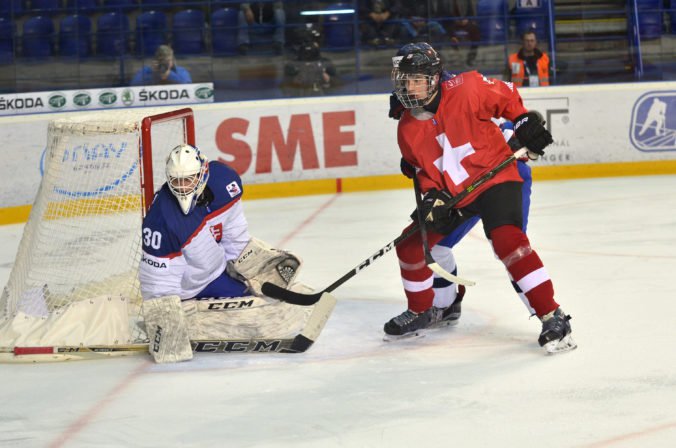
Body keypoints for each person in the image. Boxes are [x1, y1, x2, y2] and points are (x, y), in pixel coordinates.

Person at [386, 42, 576, 354]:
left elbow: (509, 98)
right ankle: (431, 308)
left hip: (496, 176)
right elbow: (428, 172)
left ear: (434, 78)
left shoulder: (468, 87)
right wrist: (432, 197)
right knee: (412, 246)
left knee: (507, 242)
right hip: (457, 193)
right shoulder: (407, 128)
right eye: (403, 79)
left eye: (415, 79)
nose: (407, 86)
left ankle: (552, 315)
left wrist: (523, 119)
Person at [139, 144, 307, 362]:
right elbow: (157, 279)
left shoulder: (224, 182)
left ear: (202, 173)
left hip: (215, 274)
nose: (182, 187)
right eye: (176, 180)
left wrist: (247, 266)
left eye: (188, 179)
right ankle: (190, 311)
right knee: (241, 321)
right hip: (184, 289)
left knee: (250, 302)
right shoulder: (162, 218)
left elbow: (234, 230)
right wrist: (165, 320)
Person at [281, 30, 337, 97]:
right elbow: (285, 89)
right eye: (307, 42)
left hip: (322, 99)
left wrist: (328, 79)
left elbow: (338, 83)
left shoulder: (325, 63)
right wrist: (295, 81)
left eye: (313, 42)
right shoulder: (292, 66)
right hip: (299, 99)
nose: (311, 45)